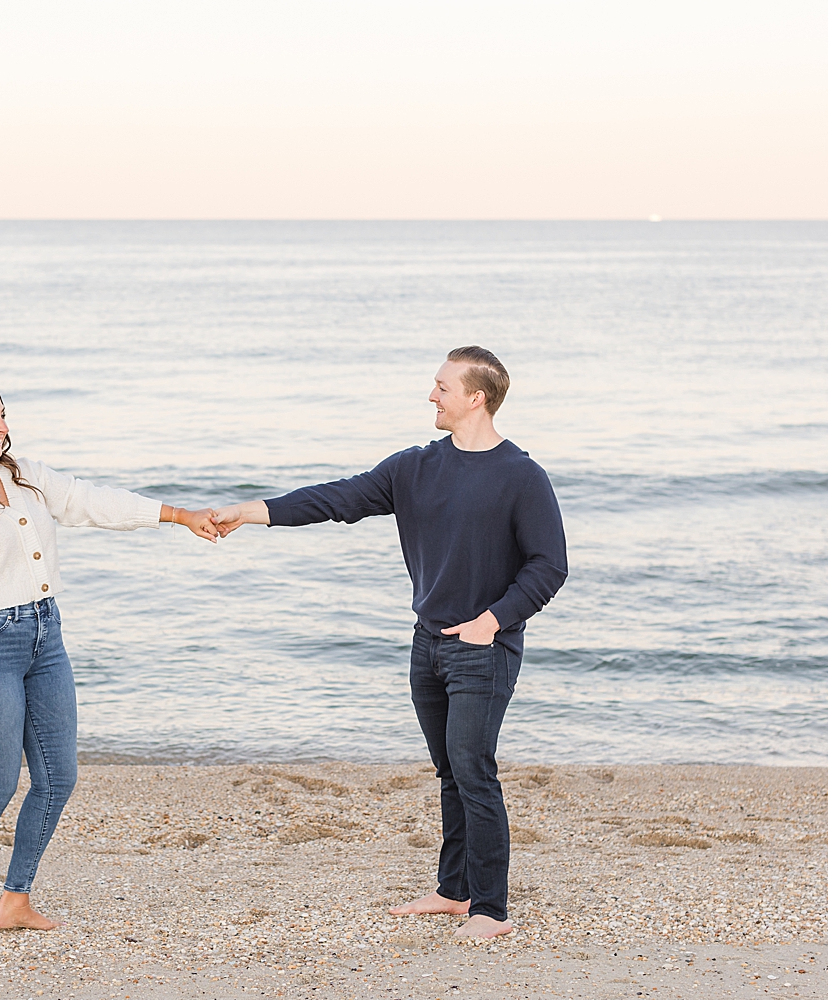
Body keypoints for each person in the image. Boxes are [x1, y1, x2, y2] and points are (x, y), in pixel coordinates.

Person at [211, 346, 567, 939]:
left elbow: (547, 566)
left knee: (474, 771)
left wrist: (494, 620)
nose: (432, 395)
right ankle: (454, 893)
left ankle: (491, 910)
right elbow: (336, 499)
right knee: (450, 772)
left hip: (483, 649)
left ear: (475, 398)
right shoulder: (414, 468)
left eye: (442, 387)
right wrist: (249, 511)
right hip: (427, 643)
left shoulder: (521, 477)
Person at [0, 378, 219, 940]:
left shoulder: (24, 475)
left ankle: (14, 901)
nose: (2, 426)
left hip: (45, 637)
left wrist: (180, 515)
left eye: (3, 414)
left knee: (57, 777)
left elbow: (92, 501)